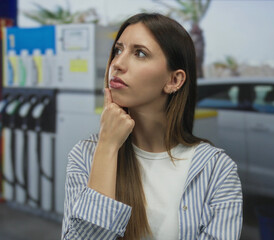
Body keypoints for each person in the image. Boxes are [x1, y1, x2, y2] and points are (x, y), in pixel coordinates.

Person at [61, 13, 242, 240]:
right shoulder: (86, 155)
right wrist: (107, 147)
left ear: (174, 80)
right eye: (118, 50)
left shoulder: (216, 170)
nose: (117, 63)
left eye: (139, 53)